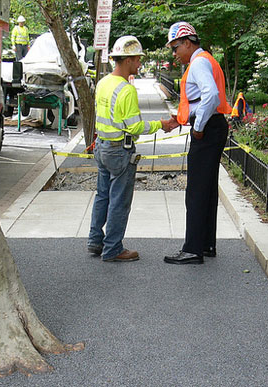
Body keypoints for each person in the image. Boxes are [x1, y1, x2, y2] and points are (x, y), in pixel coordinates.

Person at [88, 35, 179, 262]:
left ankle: (95, 240)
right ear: (127, 60)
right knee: (119, 201)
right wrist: (161, 124)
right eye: (138, 59)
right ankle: (113, 249)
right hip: (120, 151)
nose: (139, 64)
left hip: (101, 147)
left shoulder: (102, 83)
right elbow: (134, 126)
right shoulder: (126, 90)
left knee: (102, 196)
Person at [163, 22, 232, 265]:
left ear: (188, 43)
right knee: (207, 189)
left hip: (208, 129)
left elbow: (211, 96)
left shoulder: (199, 63)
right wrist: (183, 118)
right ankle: (206, 244)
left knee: (196, 191)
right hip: (215, 127)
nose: (174, 53)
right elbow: (201, 99)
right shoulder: (206, 60)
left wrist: (199, 126)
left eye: (176, 47)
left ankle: (193, 249)